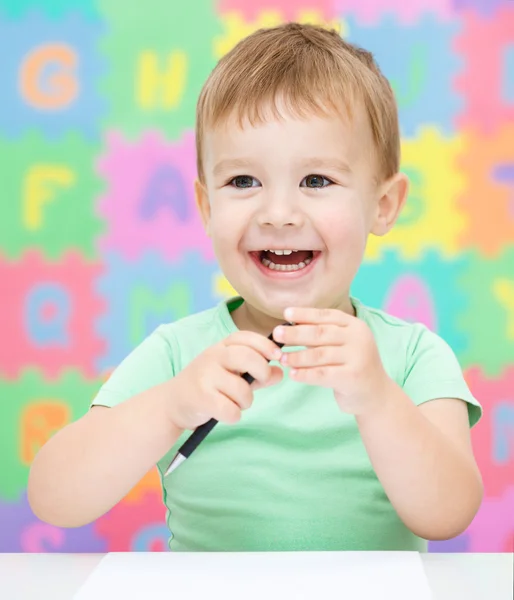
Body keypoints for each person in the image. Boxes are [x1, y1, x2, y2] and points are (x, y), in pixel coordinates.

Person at [28, 23, 483, 552]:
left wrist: (378, 399)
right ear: (206, 207)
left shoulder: (411, 356)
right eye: (243, 181)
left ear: (383, 205)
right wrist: (172, 406)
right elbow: (54, 498)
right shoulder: (179, 355)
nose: (279, 214)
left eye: (317, 181)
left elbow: (449, 514)